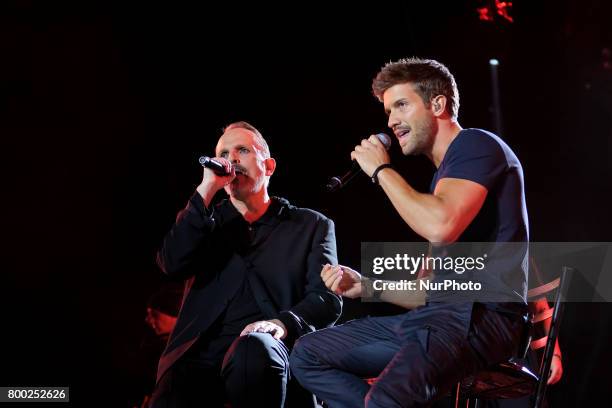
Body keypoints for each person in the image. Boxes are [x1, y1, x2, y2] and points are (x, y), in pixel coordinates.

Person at [290, 58, 531, 407]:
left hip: (482, 317)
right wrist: (365, 286)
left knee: (387, 398)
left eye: (401, 105)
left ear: (438, 104)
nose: (391, 122)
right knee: (307, 354)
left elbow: (440, 225)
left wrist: (381, 170)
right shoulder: (442, 182)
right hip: (438, 317)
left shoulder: (477, 145)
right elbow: (427, 291)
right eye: (388, 111)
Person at [150, 121, 342, 407]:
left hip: (265, 351)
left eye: (242, 150)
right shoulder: (206, 223)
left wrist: (281, 323)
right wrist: (206, 189)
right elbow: (170, 263)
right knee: (178, 382)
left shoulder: (310, 225)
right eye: (224, 153)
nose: (232, 159)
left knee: (255, 350)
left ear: (269, 166)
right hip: (198, 361)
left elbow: (327, 299)